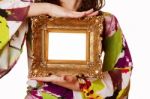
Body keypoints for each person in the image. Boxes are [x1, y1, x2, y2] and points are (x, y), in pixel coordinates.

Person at [0, 0, 133, 99]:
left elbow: (122, 71)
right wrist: (47, 8)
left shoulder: (105, 21)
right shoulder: (33, 15)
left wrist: (80, 85)